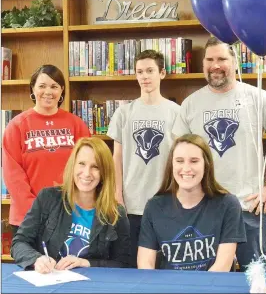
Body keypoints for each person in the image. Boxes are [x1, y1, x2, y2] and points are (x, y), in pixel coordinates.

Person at [172, 37, 266, 271]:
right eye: (210, 59)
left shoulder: (257, 97)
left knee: (255, 278)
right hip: (202, 210)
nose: (216, 65)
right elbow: (178, 157)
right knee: (205, 281)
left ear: (234, 62)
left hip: (249, 209)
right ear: (203, 64)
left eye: (222, 59)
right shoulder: (190, 104)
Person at [11, 137, 130, 273]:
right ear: (72, 165)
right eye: (81, 164)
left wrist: (86, 263)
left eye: (95, 167)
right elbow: (19, 243)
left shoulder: (116, 213)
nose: (86, 173)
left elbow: (122, 264)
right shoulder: (48, 198)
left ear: (104, 173)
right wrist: (36, 259)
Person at [107, 50, 180, 267]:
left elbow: (182, 159)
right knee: (131, 267)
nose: (144, 76)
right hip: (131, 205)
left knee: (163, 267)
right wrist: (117, 195)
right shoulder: (123, 113)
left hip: (166, 203)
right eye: (140, 72)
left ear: (162, 73)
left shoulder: (176, 112)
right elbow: (116, 158)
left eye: (150, 71)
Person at [3, 64, 90, 235]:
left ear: (62, 90)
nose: (48, 92)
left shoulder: (76, 124)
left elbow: (87, 168)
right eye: (42, 86)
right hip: (28, 217)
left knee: (70, 263)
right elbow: (13, 175)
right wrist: (39, 211)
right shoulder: (17, 125)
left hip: (70, 214)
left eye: (54, 86)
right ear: (33, 89)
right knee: (35, 262)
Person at [138, 134, 246, 271]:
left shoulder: (228, 204)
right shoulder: (154, 207)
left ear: (206, 165)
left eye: (194, 161)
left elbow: (222, 266)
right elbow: (145, 264)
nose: (186, 168)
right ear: (171, 165)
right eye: (179, 161)